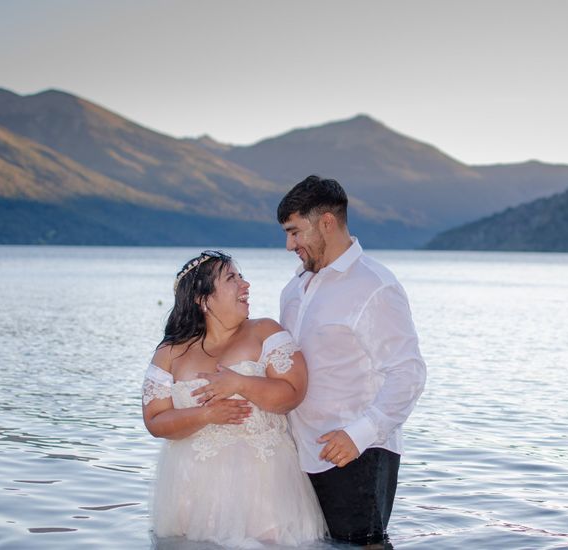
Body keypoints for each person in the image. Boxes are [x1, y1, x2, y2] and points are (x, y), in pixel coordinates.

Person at [277, 175, 427, 544]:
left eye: (295, 232)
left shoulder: (375, 285)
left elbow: (408, 374)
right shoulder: (295, 287)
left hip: (356, 456)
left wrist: (358, 436)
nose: (288, 245)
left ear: (326, 222)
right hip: (299, 455)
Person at [141, 250, 327, 546]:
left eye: (241, 276)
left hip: (262, 490)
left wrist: (240, 383)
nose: (246, 284)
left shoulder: (265, 332)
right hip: (191, 492)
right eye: (232, 278)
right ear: (203, 300)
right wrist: (206, 415)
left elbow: (293, 393)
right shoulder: (170, 352)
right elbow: (154, 420)